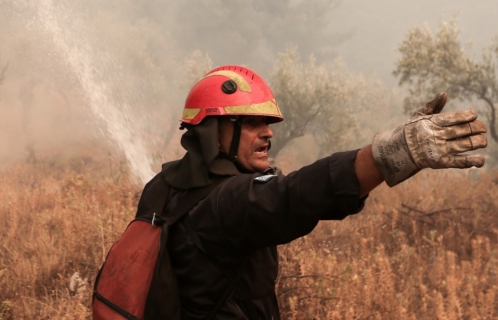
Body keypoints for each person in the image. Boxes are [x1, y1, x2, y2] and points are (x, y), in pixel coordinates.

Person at [144, 65, 487, 319]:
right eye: (251, 123)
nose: (268, 134)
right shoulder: (228, 201)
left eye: (268, 124)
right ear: (212, 131)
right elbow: (295, 194)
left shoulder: (160, 187)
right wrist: (390, 154)